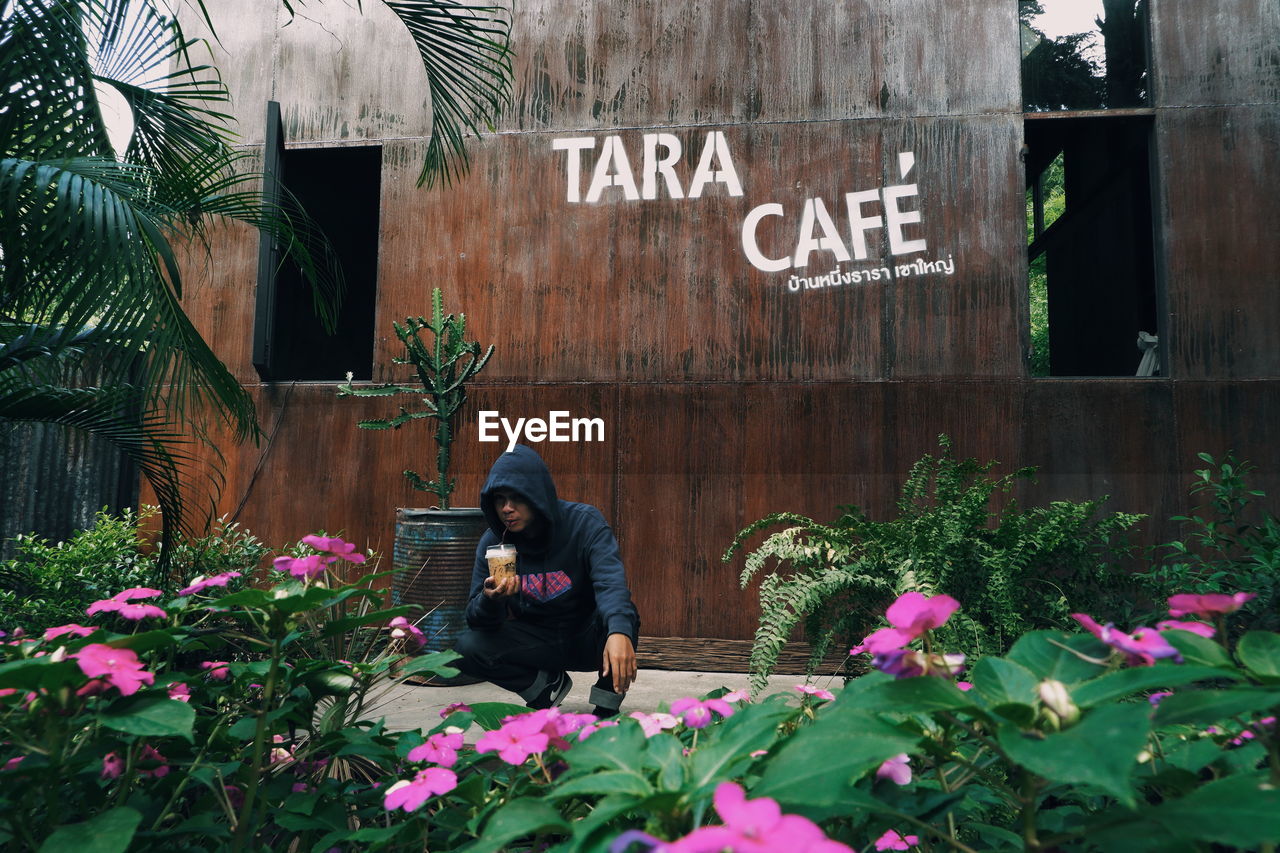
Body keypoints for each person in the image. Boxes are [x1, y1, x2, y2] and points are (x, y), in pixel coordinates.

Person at [452, 444, 640, 716]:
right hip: (537, 640)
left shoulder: (584, 524)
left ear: (537, 495)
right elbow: (477, 621)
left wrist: (619, 632)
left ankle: (606, 704)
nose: (507, 508)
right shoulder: (494, 544)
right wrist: (490, 600)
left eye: (517, 498)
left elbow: (610, 585)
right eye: (499, 499)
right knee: (466, 648)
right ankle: (543, 688)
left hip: (586, 636)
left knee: (623, 616)